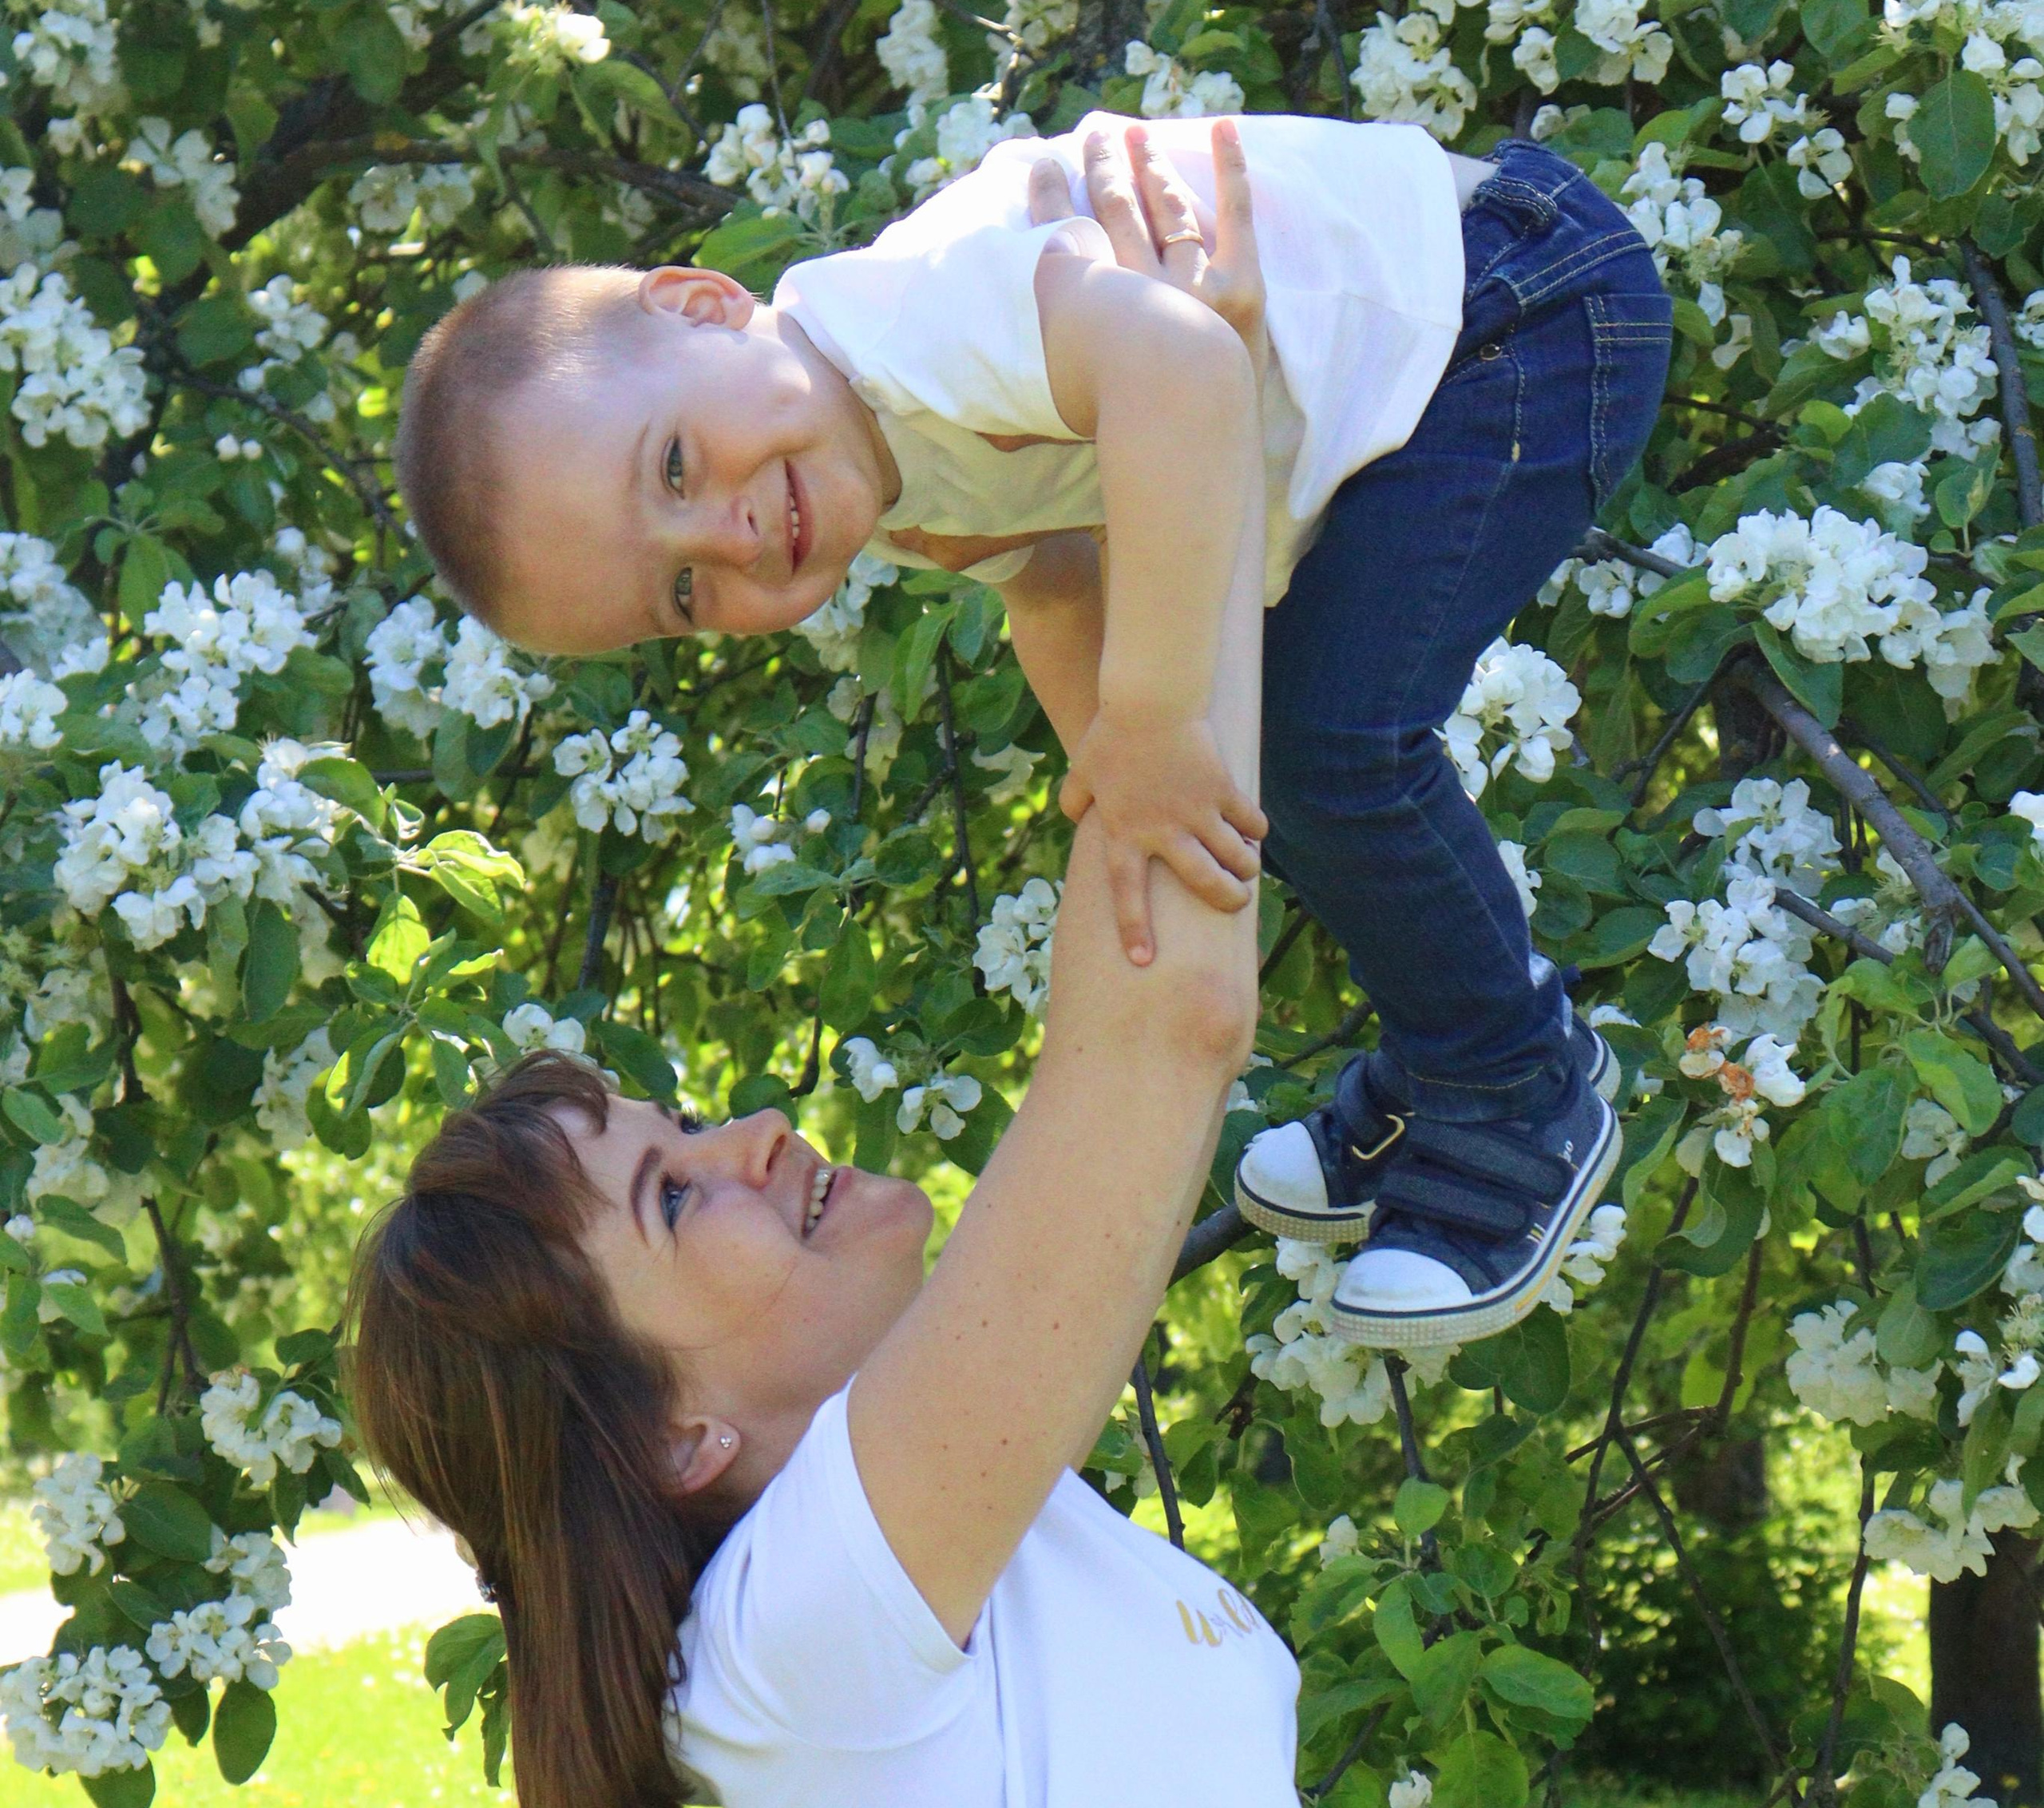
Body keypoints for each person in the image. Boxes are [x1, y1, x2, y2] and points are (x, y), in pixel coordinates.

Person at [351, 165, 1497, 1808]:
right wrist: (1163, 448)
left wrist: (1115, 407)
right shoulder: (823, 1612)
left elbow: (1145, 819)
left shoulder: (918, 1558)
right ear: (660, 1439)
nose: (753, 1140)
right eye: (679, 1191)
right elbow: (1165, 1014)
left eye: (683, 1121)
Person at [393, 109, 1670, 1353]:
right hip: (1450, 352)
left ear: (708, 303)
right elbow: (1053, 579)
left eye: (673, 466)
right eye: (680, 596)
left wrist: (1155, 720)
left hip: (1513, 312)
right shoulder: (876, 458)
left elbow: (1178, 363)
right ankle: (1445, 1056)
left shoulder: (910, 320)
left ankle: (1514, 1085)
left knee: (1330, 748)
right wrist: (1129, 812)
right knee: (1240, 781)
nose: (721, 536)